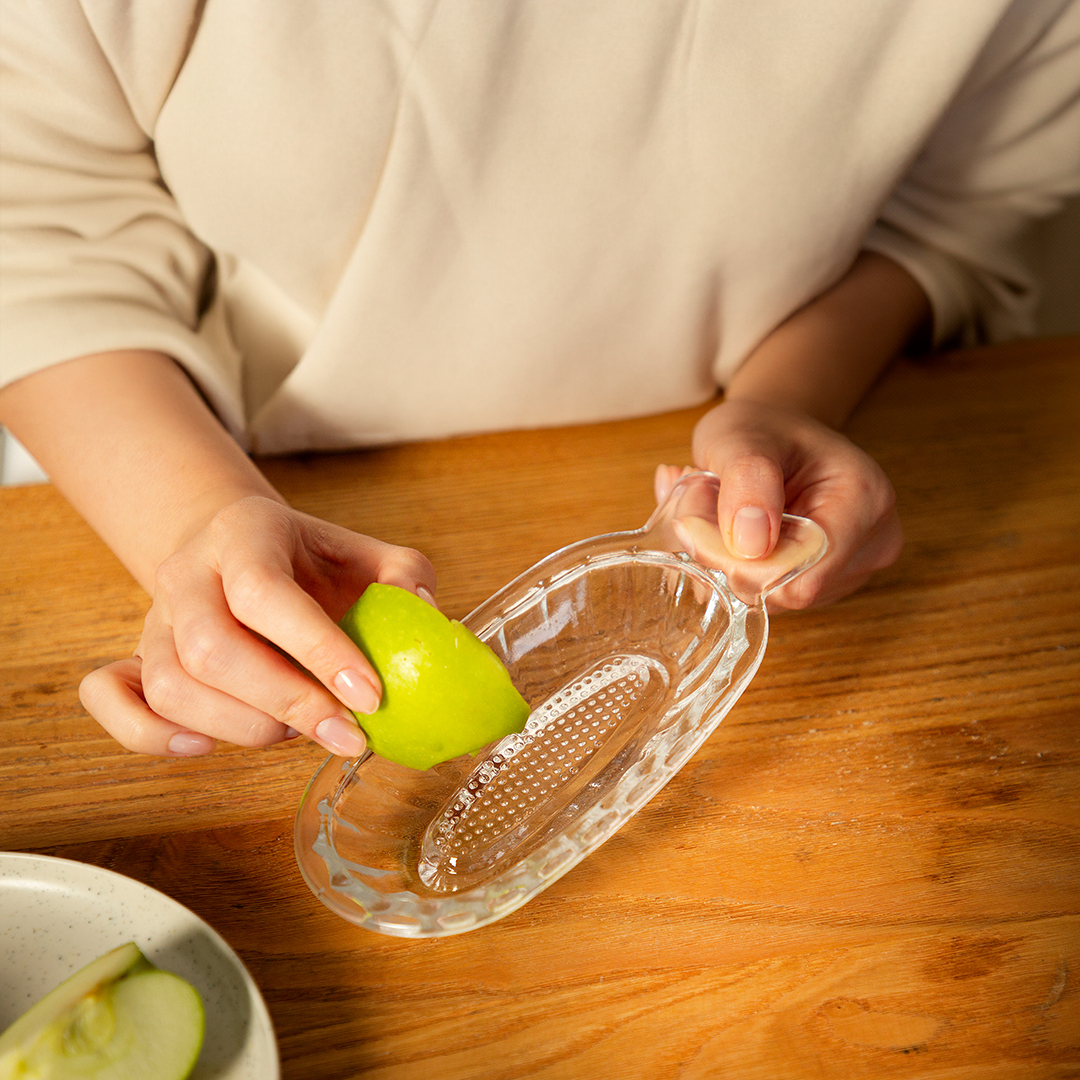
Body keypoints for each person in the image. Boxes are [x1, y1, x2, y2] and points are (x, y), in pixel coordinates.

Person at [2, 1, 1078, 759]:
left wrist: (785, 404)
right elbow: (40, 223)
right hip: (213, 446)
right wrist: (196, 525)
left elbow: (959, 204)